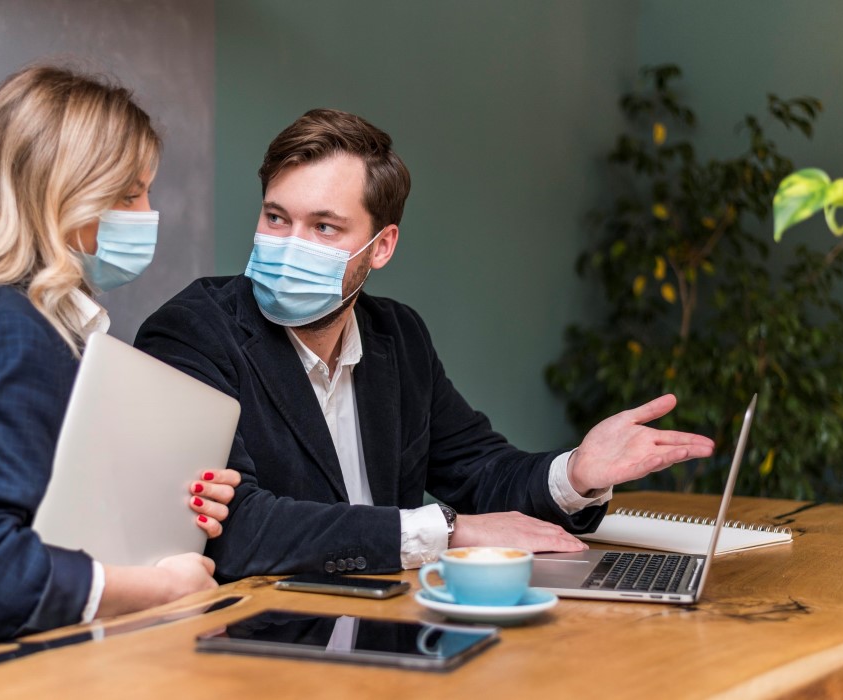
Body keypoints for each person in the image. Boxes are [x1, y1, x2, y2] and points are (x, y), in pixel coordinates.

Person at [135, 108, 713, 581]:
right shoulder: (192, 333)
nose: (290, 244)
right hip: (267, 641)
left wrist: (578, 472)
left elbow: (480, 470)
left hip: (391, 621)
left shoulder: (397, 337)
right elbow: (238, 530)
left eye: (324, 227)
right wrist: (449, 531)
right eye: (277, 218)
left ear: (381, 247)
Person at [0, 65, 239, 652]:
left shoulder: (48, 329)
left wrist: (166, 504)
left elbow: (49, 517)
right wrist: (155, 588)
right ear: (61, 196)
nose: (147, 212)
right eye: (129, 193)